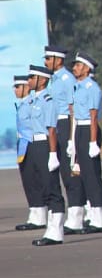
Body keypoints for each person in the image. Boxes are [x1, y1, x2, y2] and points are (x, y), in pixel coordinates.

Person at [43, 45, 84, 232]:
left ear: (58, 60)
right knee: (59, 172)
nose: (46, 62)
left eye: (48, 58)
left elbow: (73, 108)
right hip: (54, 124)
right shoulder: (52, 80)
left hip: (66, 123)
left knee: (70, 174)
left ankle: (76, 216)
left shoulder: (67, 79)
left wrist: (71, 137)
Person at [25, 66, 65, 246]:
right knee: (43, 186)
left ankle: (56, 231)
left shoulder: (48, 100)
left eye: (32, 77)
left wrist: (52, 153)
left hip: (45, 145)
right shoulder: (33, 100)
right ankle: (50, 228)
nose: (29, 81)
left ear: (42, 80)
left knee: (52, 188)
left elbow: (52, 130)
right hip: (34, 144)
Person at [70, 53, 102, 231]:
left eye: (78, 65)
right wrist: (73, 140)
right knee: (84, 175)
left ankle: (100, 219)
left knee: (92, 175)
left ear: (86, 68)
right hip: (80, 130)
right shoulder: (78, 87)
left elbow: (94, 117)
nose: (74, 68)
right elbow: (75, 116)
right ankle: (92, 216)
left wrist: (93, 141)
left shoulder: (92, 88)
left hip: (89, 131)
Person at [14, 74, 44, 231]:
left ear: (26, 87)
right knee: (28, 180)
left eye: (18, 87)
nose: (15, 90)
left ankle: (39, 216)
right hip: (23, 145)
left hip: (32, 143)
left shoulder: (32, 103)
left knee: (34, 180)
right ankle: (34, 213)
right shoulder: (22, 104)